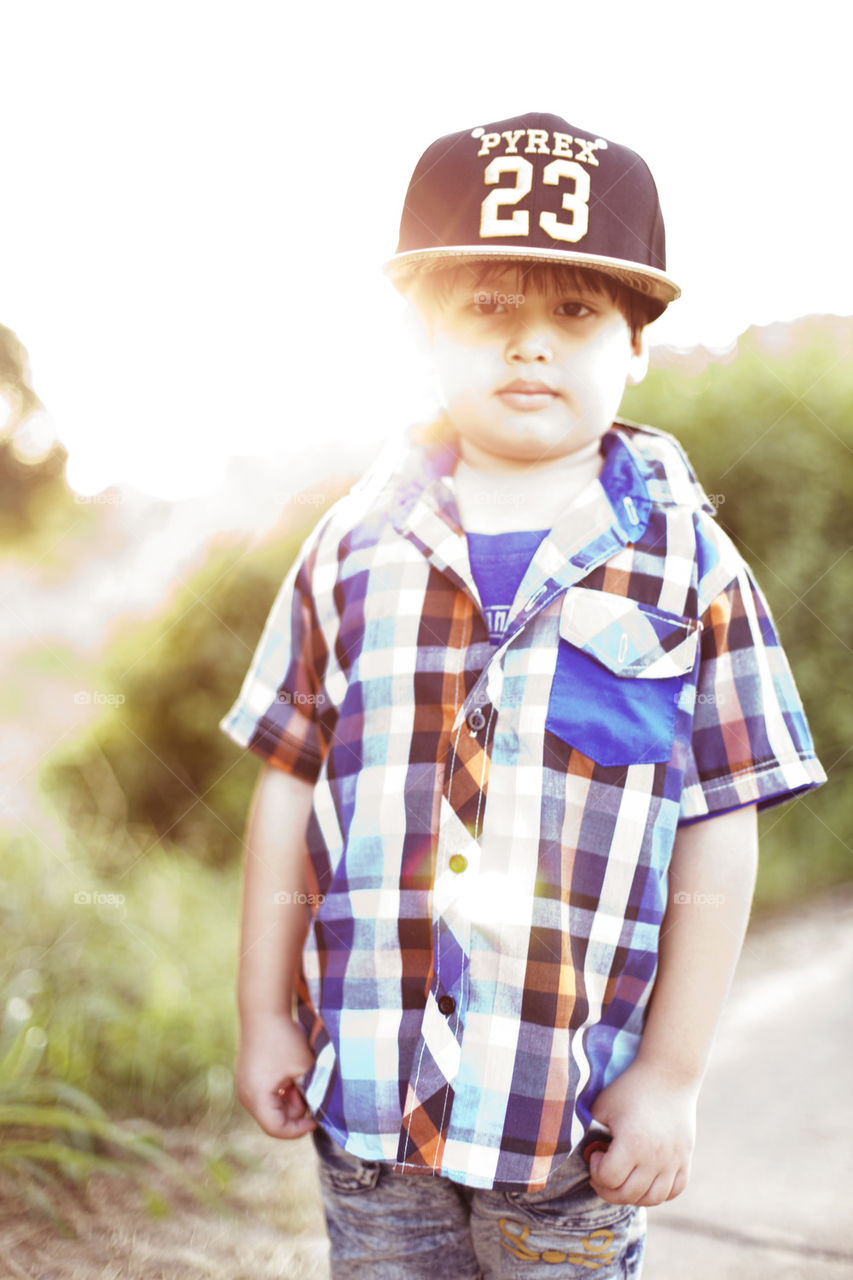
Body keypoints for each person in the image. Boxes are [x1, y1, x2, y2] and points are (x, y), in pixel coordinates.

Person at [221, 111, 826, 1278]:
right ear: (421, 332)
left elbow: (721, 824)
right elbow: (287, 791)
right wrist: (264, 1012)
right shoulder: (350, 548)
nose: (529, 346)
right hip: (372, 1117)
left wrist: (670, 1075)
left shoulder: (691, 567)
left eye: (575, 312)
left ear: (636, 342)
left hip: (571, 1124)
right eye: (488, 308)